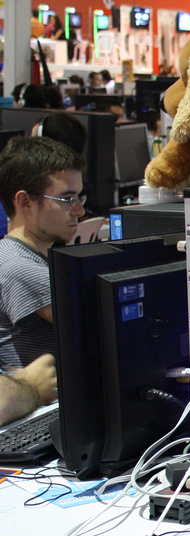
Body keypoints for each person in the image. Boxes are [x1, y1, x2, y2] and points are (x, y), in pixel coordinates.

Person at [0, 137, 86, 368]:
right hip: (51, 402)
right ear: (25, 202)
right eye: (67, 199)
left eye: (79, 197)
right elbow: (101, 323)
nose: (80, 210)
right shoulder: (17, 266)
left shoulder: (32, 256)